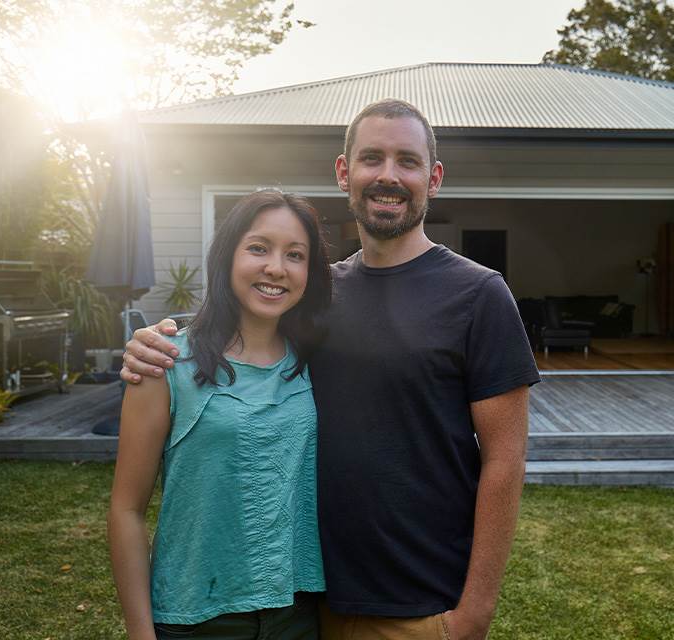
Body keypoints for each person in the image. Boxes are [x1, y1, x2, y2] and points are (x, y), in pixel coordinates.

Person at [122, 99, 540, 640]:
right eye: (372, 158)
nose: (388, 176)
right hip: (315, 602)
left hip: (424, 605)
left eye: (407, 161)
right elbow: (242, 327)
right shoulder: (315, 297)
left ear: (433, 178)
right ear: (344, 172)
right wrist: (155, 338)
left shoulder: (479, 294)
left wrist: (474, 614)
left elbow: (505, 463)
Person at [109, 189, 332, 640]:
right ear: (226, 255)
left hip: (301, 613)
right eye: (258, 248)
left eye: (295, 255)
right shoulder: (166, 361)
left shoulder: (320, 363)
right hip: (197, 617)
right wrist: (140, 633)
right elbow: (126, 509)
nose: (275, 268)